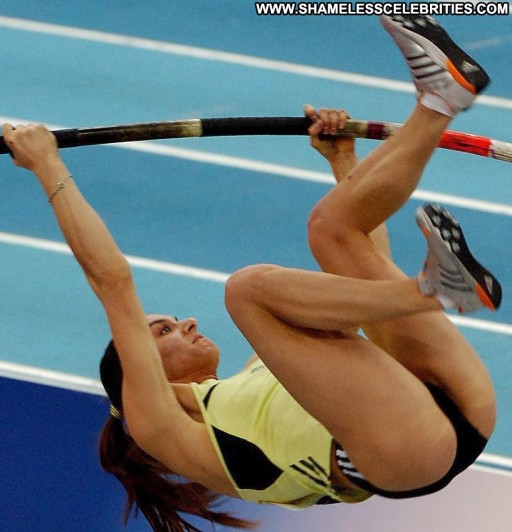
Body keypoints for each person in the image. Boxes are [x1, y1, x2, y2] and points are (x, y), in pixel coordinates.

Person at [4, 14, 502, 532]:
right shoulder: (164, 426)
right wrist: (48, 166)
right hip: (404, 452)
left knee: (333, 228)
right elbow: (113, 283)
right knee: (246, 291)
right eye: (164, 330)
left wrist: (343, 162)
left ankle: (439, 101)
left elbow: (364, 289)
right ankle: (431, 290)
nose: (188, 322)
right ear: (137, 371)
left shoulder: (270, 372)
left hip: (445, 399)